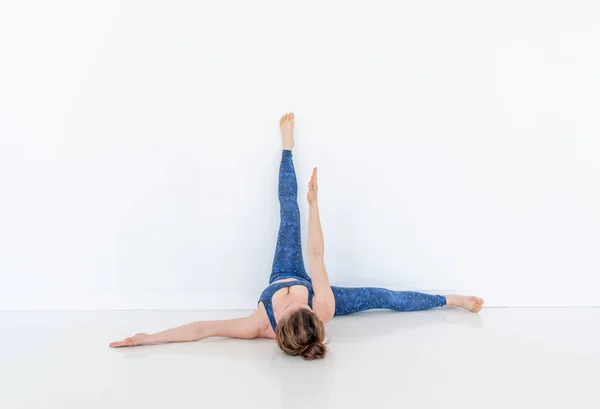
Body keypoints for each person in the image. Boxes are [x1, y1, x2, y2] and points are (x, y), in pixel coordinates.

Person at [110, 113, 484, 360]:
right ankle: (453, 299)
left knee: (288, 214)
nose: (290, 303)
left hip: (282, 269)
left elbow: (203, 329)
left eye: (291, 310)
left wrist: (149, 338)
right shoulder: (323, 307)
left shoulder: (258, 325)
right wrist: (316, 203)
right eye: (297, 308)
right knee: (383, 296)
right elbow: (318, 257)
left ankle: (286, 148)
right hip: (307, 277)